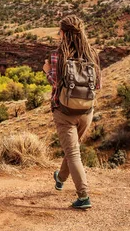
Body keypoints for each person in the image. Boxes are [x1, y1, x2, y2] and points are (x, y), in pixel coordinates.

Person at [43, 15, 101, 210]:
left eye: (59, 31)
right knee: (72, 149)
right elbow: (98, 85)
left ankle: (83, 196)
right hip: (86, 110)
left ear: (64, 33)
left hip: (64, 111)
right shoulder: (92, 54)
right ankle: (60, 178)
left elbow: (56, 83)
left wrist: (47, 71)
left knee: (73, 153)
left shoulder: (57, 55)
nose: (57, 34)